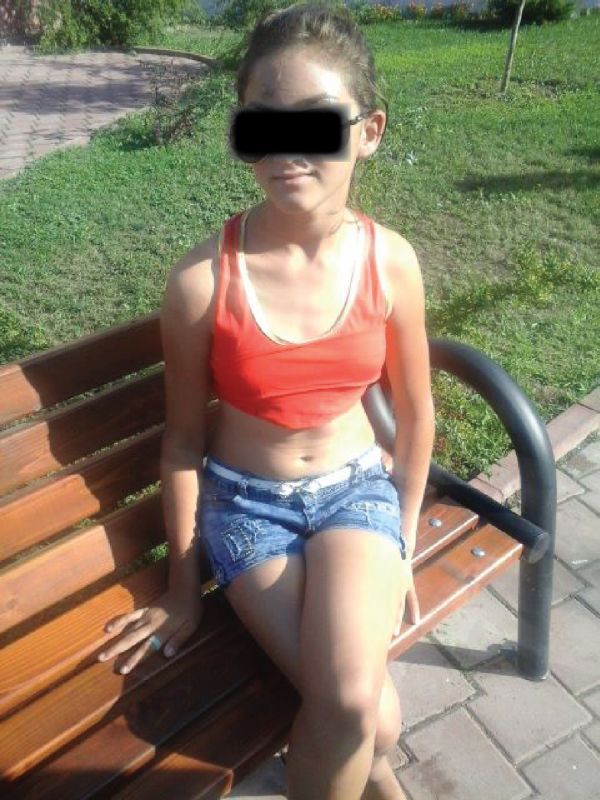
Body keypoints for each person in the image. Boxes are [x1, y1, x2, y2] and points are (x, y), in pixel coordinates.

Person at [97, 3, 435, 798]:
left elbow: (417, 414)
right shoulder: (202, 281)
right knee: (371, 719)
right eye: (263, 123)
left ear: (369, 132)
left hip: (356, 493)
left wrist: (402, 541)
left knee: (351, 706)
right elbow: (184, 443)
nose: (286, 148)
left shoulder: (390, 263)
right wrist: (183, 591)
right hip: (249, 509)